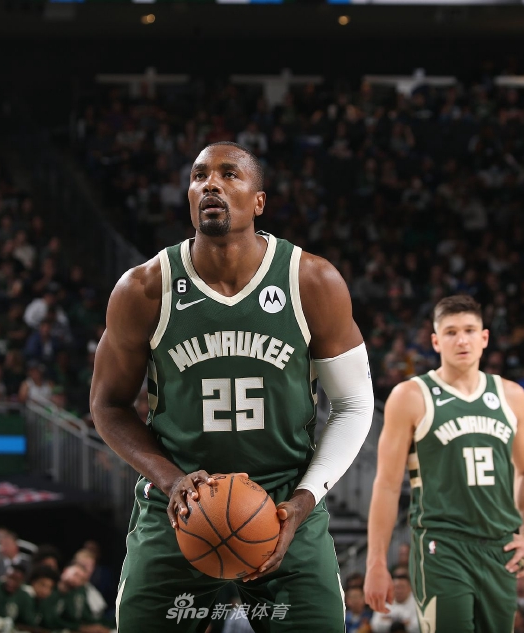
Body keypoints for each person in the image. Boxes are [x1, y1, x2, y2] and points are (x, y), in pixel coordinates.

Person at [90, 142, 372, 632]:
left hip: (284, 500)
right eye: (199, 176)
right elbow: (108, 404)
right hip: (179, 504)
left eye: (228, 174)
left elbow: (353, 403)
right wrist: (170, 481)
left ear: (258, 202)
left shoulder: (311, 280)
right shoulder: (143, 289)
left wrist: (304, 501)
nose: (211, 185)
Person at [365, 295, 524, 633]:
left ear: (484, 337)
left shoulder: (511, 396)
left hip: (499, 546)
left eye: (469, 330)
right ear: (435, 341)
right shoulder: (411, 396)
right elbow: (386, 485)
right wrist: (376, 562)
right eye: (451, 332)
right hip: (442, 546)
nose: (462, 340)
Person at [370, 566, 419, 633]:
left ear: (410, 588)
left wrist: (389, 621)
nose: (399, 591)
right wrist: (396, 625)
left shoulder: (417, 604)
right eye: (396, 587)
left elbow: (418, 626)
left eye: (402, 587)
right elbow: (375, 625)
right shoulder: (384, 603)